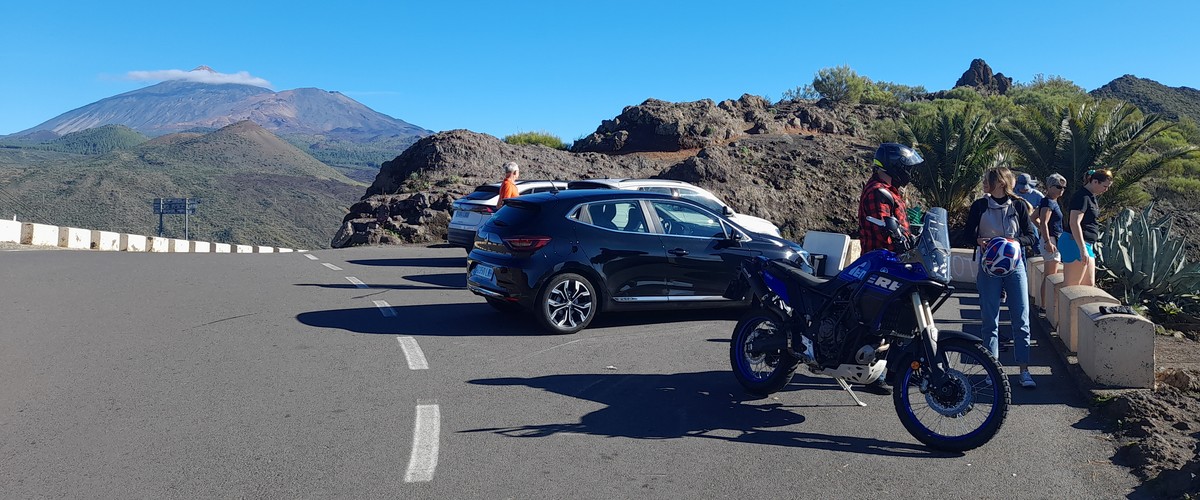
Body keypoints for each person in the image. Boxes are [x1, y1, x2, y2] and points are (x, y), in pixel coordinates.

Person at [855, 142, 924, 395]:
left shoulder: (890, 191)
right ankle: (873, 373)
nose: (909, 172)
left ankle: (898, 370)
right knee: (880, 320)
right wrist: (898, 238)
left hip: (895, 263)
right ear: (895, 166)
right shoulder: (877, 191)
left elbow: (901, 229)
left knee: (901, 319)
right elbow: (882, 224)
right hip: (880, 263)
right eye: (906, 167)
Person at [961, 167, 1039, 388]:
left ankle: (1024, 370)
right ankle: (992, 370)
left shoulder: (1019, 206)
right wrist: (979, 241)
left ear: (1001, 183)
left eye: (988, 180)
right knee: (989, 320)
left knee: (1021, 319)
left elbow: (1031, 236)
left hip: (1015, 268)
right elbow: (967, 234)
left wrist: (1014, 243)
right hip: (988, 270)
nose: (984, 183)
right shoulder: (979, 206)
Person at [1061, 169, 1113, 287]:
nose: (1106, 190)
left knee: (1088, 285)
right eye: (1104, 186)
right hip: (1075, 243)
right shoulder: (1082, 197)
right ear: (1095, 182)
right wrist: (1082, 248)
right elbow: (1074, 223)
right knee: (1072, 287)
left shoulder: (1091, 197)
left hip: (1085, 244)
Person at [1036, 173, 1068, 276]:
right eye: (1059, 187)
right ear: (1050, 187)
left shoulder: (1049, 201)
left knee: (1050, 274)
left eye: (1063, 187)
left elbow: (1033, 217)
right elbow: (1043, 222)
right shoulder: (1049, 203)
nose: (1062, 189)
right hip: (1051, 240)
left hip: (1052, 239)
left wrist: (1042, 231)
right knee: (1050, 275)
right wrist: (1047, 241)